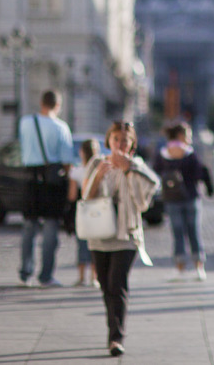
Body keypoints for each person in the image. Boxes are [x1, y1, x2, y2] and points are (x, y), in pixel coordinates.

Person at [83, 121, 160, 357]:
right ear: (109, 141)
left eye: (125, 140)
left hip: (126, 234)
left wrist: (129, 169)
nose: (120, 144)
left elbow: (148, 195)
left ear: (132, 143)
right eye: (116, 139)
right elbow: (85, 196)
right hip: (100, 234)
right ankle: (112, 327)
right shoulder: (97, 162)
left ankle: (116, 338)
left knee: (118, 284)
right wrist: (98, 177)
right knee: (106, 286)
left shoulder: (138, 166)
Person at [18, 89, 73, 288]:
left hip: (30, 179)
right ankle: (46, 276)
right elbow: (67, 161)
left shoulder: (25, 122)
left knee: (29, 227)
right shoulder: (61, 127)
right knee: (50, 228)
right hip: (52, 181)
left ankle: (25, 272)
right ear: (57, 106)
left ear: (41, 102)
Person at [152, 122, 214, 282]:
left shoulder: (163, 153)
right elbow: (199, 173)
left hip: (172, 199)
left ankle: (179, 269)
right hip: (191, 197)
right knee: (194, 232)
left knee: (177, 234)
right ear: (180, 135)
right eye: (188, 135)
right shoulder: (189, 153)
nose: (190, 138)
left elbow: (156, 173)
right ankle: (199, 268)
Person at [68, 139, 100, 288]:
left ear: (82, 152)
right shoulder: (99, 169)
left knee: (82, 244)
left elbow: (72, 195)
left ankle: (81, 277)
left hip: (82, 210)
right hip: (98, 210)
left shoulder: (77, 171)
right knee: (96, 244)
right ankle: (95, 277)